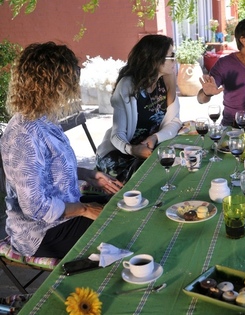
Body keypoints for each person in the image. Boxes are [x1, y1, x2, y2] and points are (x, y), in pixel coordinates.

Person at [1, 42, 123, 258]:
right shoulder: (23, 135)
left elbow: (50, 168)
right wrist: (85, 210)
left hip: (67, 210)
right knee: (122, 231)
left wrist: (90, 175)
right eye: (70, 79)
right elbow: (35, 208)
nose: (74, 86)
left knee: (127, 206)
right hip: (40, 232)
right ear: (51, 84)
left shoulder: (44, 119)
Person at [96, 35, 182, 183]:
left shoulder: (165, 81)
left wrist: (156, 137)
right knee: (157, 177)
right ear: (156, 58)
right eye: (171, 56)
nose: (175, 60)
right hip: (121, 153)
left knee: (181, 167)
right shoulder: (128, 85)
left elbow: (174, 122)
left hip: (150, 149)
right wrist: (132, 149)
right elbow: (117, 135)